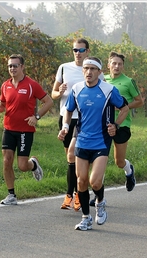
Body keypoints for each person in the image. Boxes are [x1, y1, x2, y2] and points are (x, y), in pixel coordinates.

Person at [58, 56, 129, 231]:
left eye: (92, 69)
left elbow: (125, 108)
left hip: (101, 142)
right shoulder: (77, 89)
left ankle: (100, 201)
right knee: (81, 182)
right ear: (83, 71)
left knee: (95, 182)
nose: (88, 72)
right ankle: (86, 218)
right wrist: (66, 127)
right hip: (82, 140)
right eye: (86, 69)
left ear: (99, 72)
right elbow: (68, 110)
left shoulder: (108, 90)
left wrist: (116, 125)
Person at [0, 54, 54, 205]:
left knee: (22, 166)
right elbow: (3, 105)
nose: (12, 68)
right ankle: (11, 195)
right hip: (9, 128)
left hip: (25, 130)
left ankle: (33, 164)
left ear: (22, 67)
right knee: (7, 161)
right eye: (10, 66)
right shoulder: (5, 85)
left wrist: (37, 117)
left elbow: (48, 102)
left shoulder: (32, 85)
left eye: (15, 65)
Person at [52, 38, 104, 211]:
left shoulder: (94, 69)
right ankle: (76, 193)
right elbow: (53, 94)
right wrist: (58, 92)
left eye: (81, 50)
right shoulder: (64, 67)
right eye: (75, 50)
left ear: (87, 52)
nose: (78, 53)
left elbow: (103, 93)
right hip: (66, 116)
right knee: (70, 158)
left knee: (76, 156)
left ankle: (77, 194)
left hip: (85, 119)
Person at [89, 51, 144, 207]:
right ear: (108, 65)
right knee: (99, 161)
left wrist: (123, 107)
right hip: (103, 125)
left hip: (122, 124)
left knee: (118, 161)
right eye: (114, 63)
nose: (117, 66)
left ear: (123, 66)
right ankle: (98, 196)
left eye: (119, 64)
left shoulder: (128, 82)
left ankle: (128, 170)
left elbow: (139, 101)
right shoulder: (101, 79)